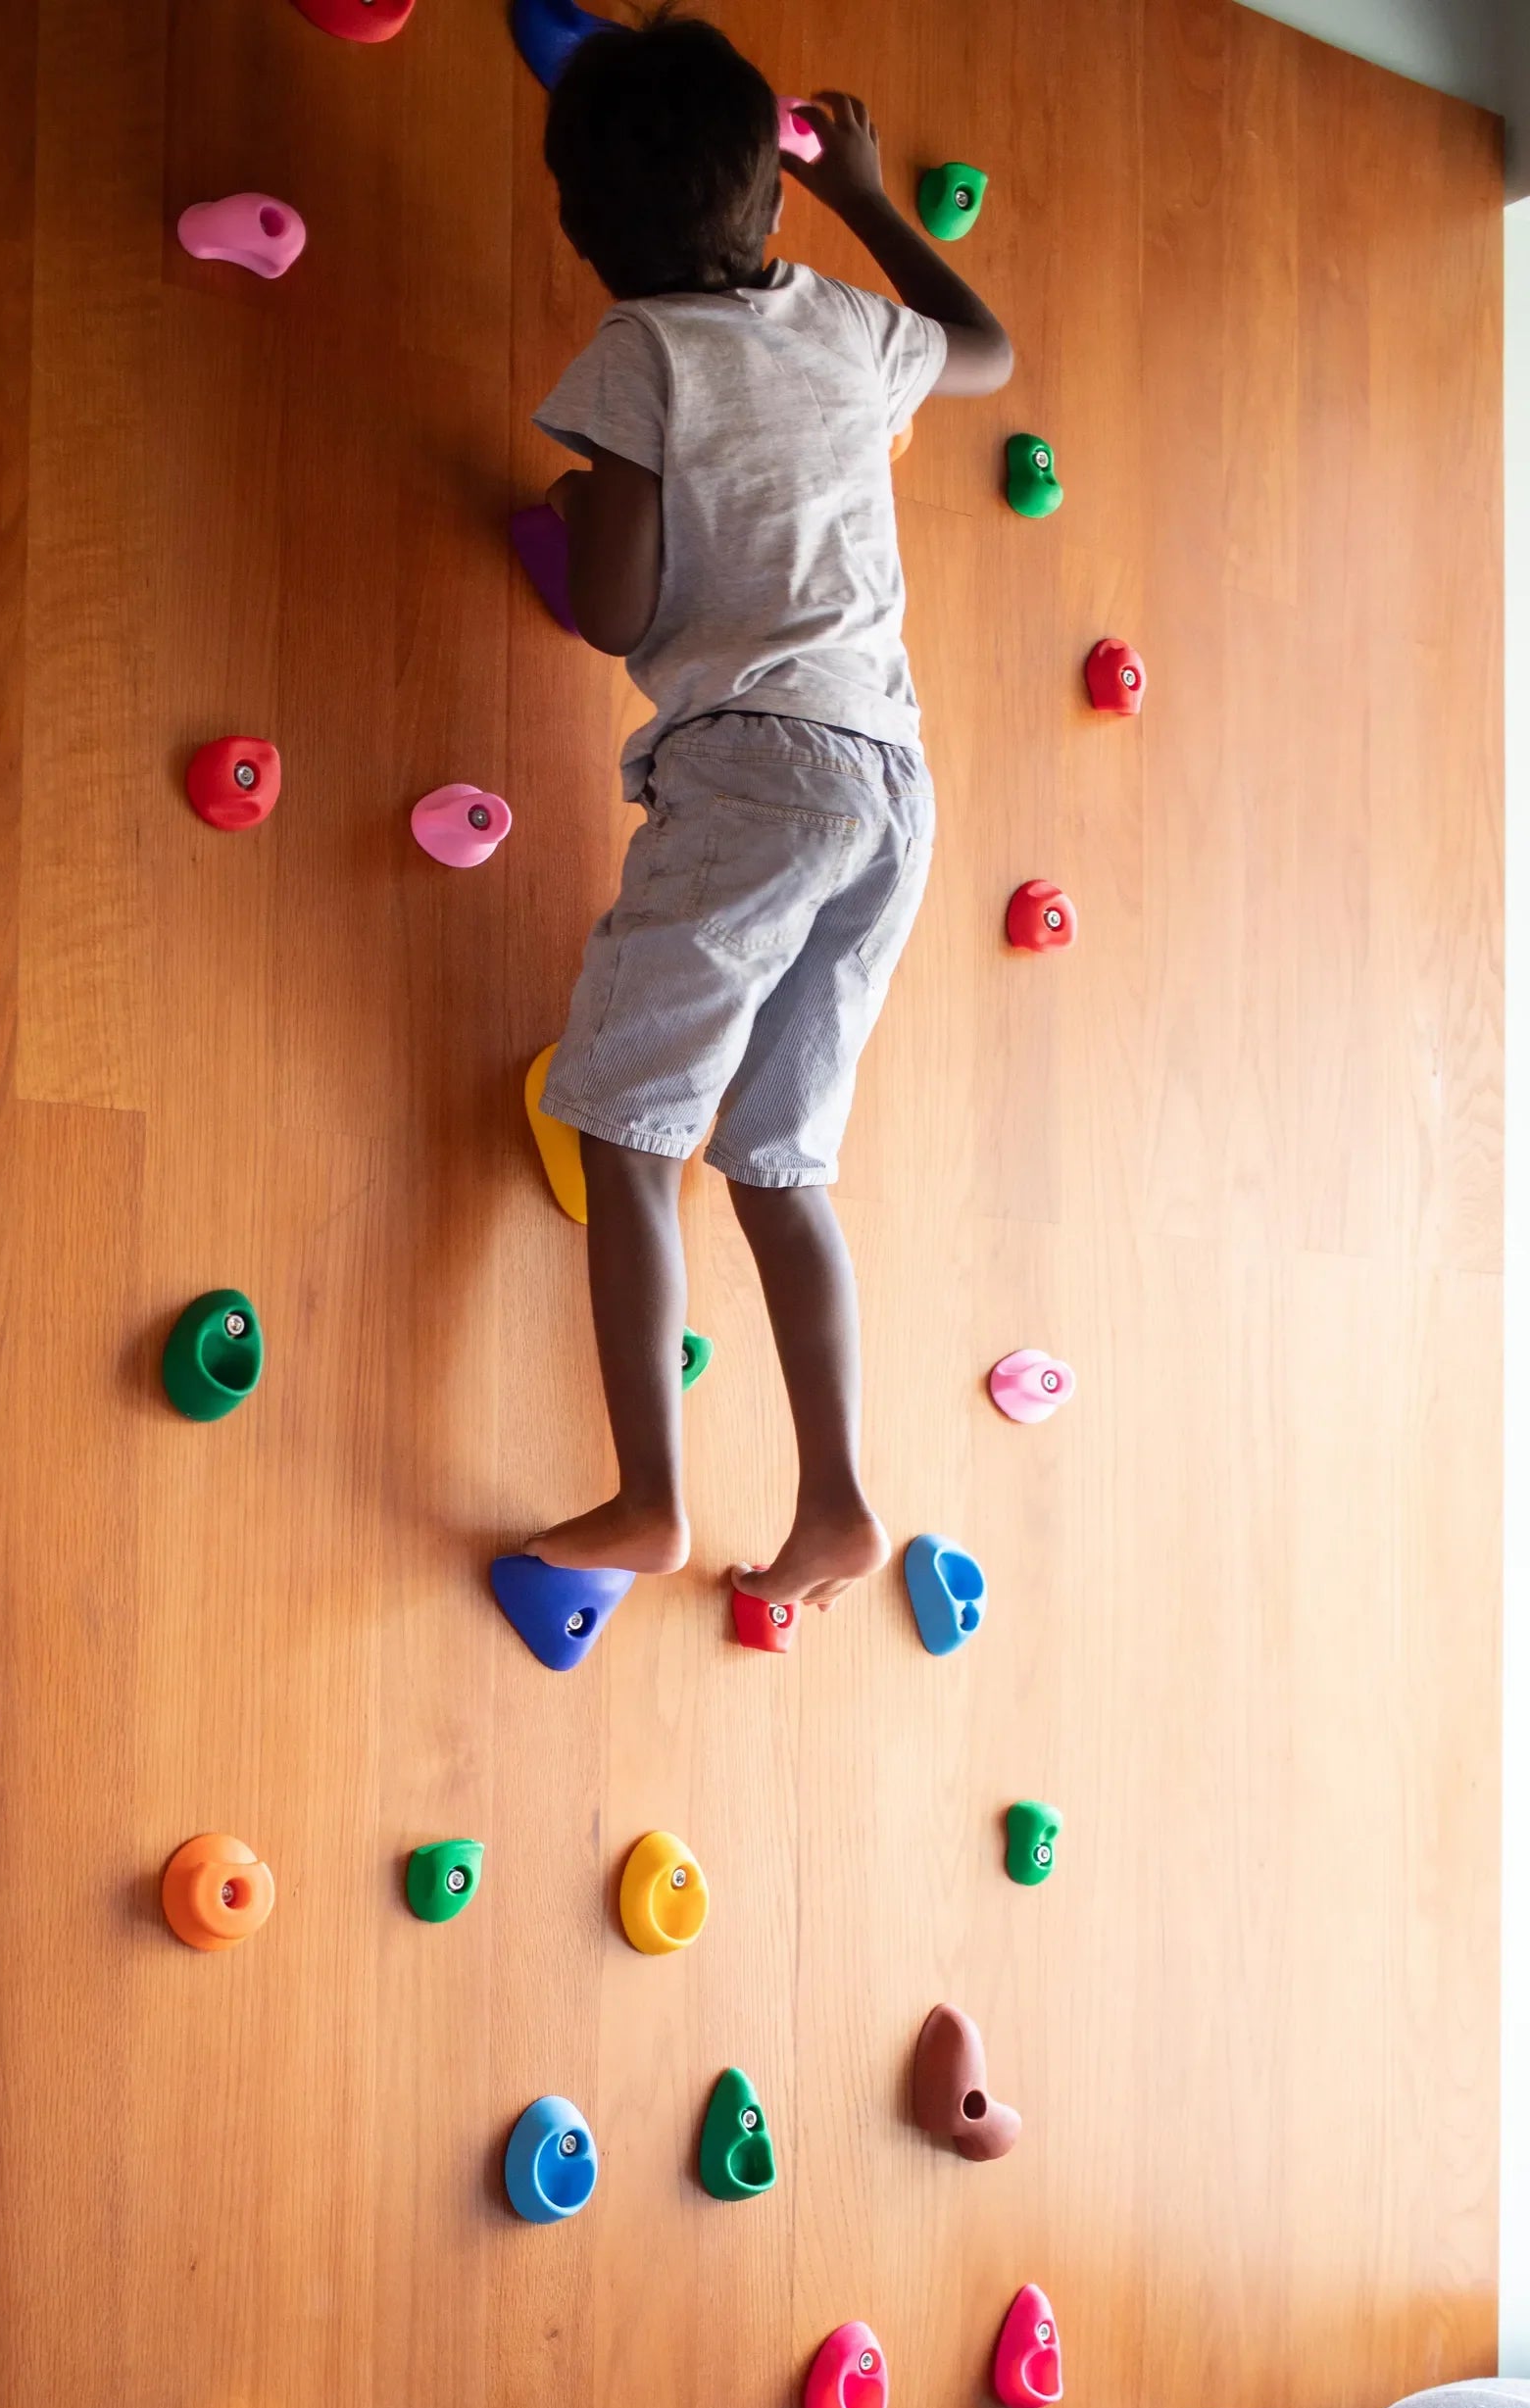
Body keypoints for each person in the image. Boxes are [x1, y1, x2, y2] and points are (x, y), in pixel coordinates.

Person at [520, 10, 1012, 1611]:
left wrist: (591, 497)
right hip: (889, 782)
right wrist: (873, 199)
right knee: (779, 1164)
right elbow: (988, 351)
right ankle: (837, 1506)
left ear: (588, 230)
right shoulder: (842, 321)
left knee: (626, 1132)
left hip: (755, 774)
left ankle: (650, 1498)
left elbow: (610, 611)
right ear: (775, 198)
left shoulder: (637, 354)